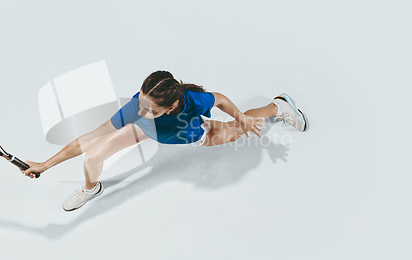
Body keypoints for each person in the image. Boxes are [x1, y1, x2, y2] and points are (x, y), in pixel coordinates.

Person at [22, 70, 309, 211]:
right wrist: (45, 165)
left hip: (196, 134)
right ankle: (90, 188)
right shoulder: (136, 109)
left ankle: (277, 106)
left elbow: (219, 99)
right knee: (92, 156)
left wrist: (243, 119)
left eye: (151, 109)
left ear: (171, 108)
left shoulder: (193, 101)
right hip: (148, 132)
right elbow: (89, 138)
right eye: (141, 103)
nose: (142, 110)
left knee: (240, 126)